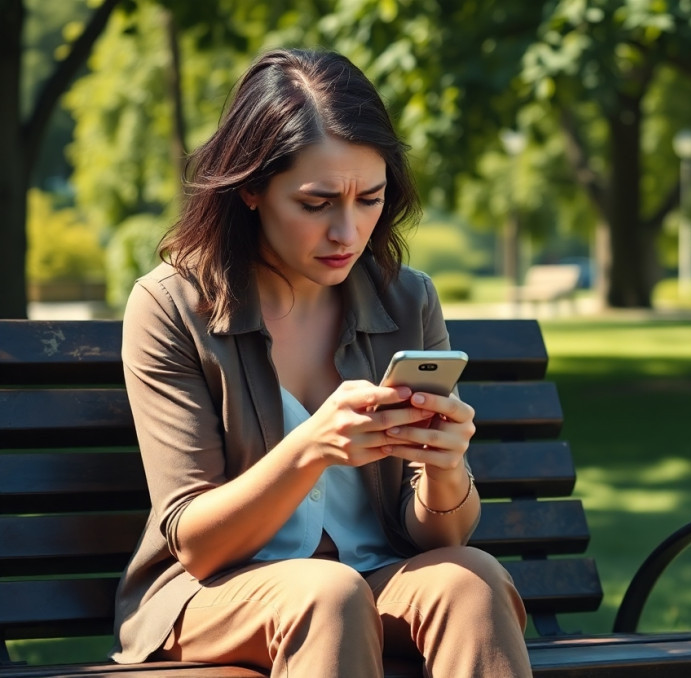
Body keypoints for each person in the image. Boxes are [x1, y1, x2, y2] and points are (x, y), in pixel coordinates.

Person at [111, 48, 533, 677]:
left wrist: (445, 469)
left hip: (375, 578)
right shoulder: (173, 306)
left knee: (470, 580)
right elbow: (197, 544)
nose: (348, 231)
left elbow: (443, 540)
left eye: (370, 199)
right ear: (251, 188)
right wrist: (313, 446)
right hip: (217, 596)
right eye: (316, 203)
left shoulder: (406, 298)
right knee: (325, 594)